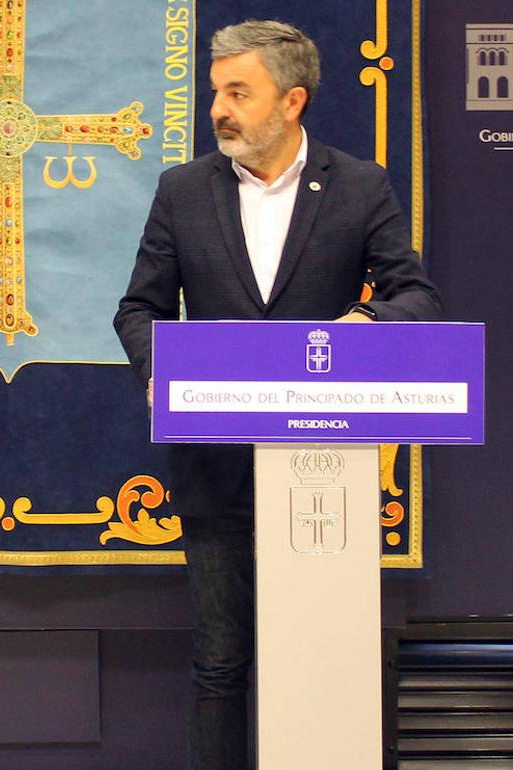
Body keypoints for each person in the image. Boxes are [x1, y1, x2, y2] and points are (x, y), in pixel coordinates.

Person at [113, 20, 442, 770]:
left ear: (292, 100)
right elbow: (140, 309)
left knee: (321, 663)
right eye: (216, 93)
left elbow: (416, 297)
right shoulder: (183, 190)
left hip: (327, 464)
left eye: (238, 92)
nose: (219, 110)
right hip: (215, 463)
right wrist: (163, 372)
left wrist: (367, 319)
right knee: (222, 663)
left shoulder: (359, 185)